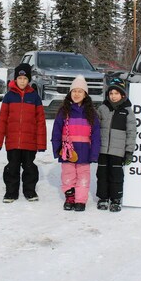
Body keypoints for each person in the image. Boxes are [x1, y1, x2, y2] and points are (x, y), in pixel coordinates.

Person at [0, 63, 47, 203]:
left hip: (30, 142)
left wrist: (41, 144)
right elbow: (2, 120)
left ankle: (30, 191)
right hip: (13, 142)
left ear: (29, 80)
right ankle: (11, 192)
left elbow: (41, 122)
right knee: (12, 167)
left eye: (25, 78)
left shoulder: (35, 97)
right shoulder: (9, 97)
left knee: (29, 167)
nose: (22, 81)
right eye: (20, 78)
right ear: (15, 79)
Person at [51, 75, 101, 212]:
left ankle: (80, 200)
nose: (77, 94)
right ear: (70, 93)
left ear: (85, 94)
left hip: (85, 150)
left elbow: (96, 135)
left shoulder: (91, 113)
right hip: (67, 151)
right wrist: (57, 149)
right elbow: (56, 132)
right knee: (68, 175)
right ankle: (70, 198)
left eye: (80, 91)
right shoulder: (64, 112)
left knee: (83, 176)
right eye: (74, 91)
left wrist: (94, 153)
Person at [95, 78, 136, 212]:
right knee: (102, 175)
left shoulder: (127, 111)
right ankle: (103, 198)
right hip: (102, 150)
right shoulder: (102, 108)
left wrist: (129, 151)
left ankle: (116, 199)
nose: (113, 96)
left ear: (123, 95)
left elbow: (131, 132)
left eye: (116, 93)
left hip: (118, 152)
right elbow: (95, 128)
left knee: (116, 176)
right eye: (111, 93)